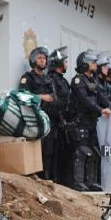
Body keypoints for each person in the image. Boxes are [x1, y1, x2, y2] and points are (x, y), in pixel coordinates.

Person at [68, 49, 105, 191]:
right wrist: (101, 110)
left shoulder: (93, 80)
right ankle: (78, 181)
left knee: (94, 151)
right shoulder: (78, 79)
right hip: (80, 121)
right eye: (92, 61)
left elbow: (101, 97)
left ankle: (90, 182)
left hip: (91, 121)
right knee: (82, 151)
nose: (95, 64)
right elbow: (84, 100)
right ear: (84, 63)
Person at [18, 46, 58, 180]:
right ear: (34, 60)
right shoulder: (27, 77)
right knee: (35, 147)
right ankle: (33, 175)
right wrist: (41, 97)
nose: (42, 60)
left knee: (48, 150)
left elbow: (54, 98)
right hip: (33, 118)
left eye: (44, 58)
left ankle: (46, 176)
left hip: (48, 118)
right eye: (40, 57)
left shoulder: (49, 79)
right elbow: (23, 95)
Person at [46, 46, 72, 183]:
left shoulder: (63, 80)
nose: (67, 64)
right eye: (65, 61)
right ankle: (47, 177)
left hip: (62, 121)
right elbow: (53, 101)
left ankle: (58, 179)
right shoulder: (51, 79)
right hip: (52, 119)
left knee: (60, 151)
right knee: (49, 150)